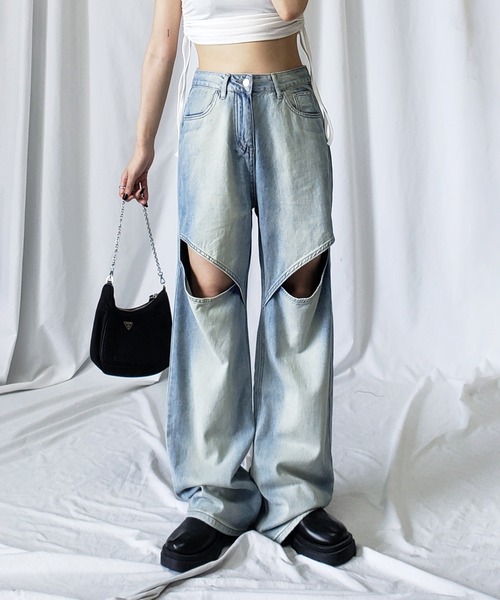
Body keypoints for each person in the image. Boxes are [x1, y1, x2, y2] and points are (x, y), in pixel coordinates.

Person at [120, 0, 356, 573]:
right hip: (210, 109)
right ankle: (214, 495)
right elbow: (162, 43)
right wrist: (143, 144)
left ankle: (295, 497)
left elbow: (288, 7)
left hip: (287, 102)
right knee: (209, 300)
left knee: (298, 296)